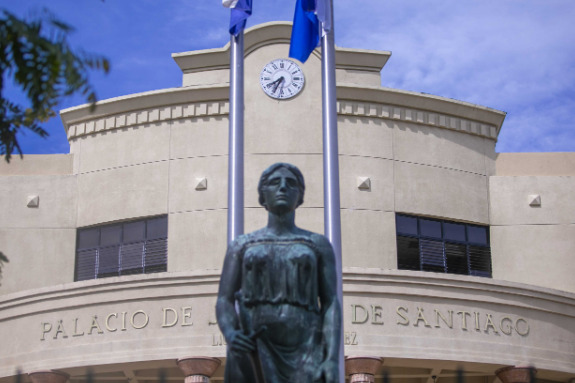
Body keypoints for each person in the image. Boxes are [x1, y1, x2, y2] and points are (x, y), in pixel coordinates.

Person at [216, 163, 341, 383]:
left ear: (300, 196)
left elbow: (330, 303)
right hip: (254, 345)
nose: (283, 187)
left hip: (306, 348)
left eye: (291, 183)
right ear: (262, 195)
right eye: (275, 182)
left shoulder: (317, 244)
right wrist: (231, 333)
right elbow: (224, 299)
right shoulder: (242, 245)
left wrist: (331, 358)